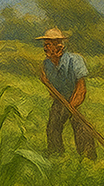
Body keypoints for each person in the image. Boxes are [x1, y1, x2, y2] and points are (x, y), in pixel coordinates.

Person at [37, 27, 96, 158]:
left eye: (48, 45)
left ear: (59, 46)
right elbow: (51, 87)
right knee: (53, 126)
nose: (45, 48)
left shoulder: (75, 60)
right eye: (44, 45)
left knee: (82, 128)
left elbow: (81, 88)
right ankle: (56, 155)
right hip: (60, 100)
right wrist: (46, 83)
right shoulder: (46, 64)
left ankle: (88, 158)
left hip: (76, 99)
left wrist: (72, 106)